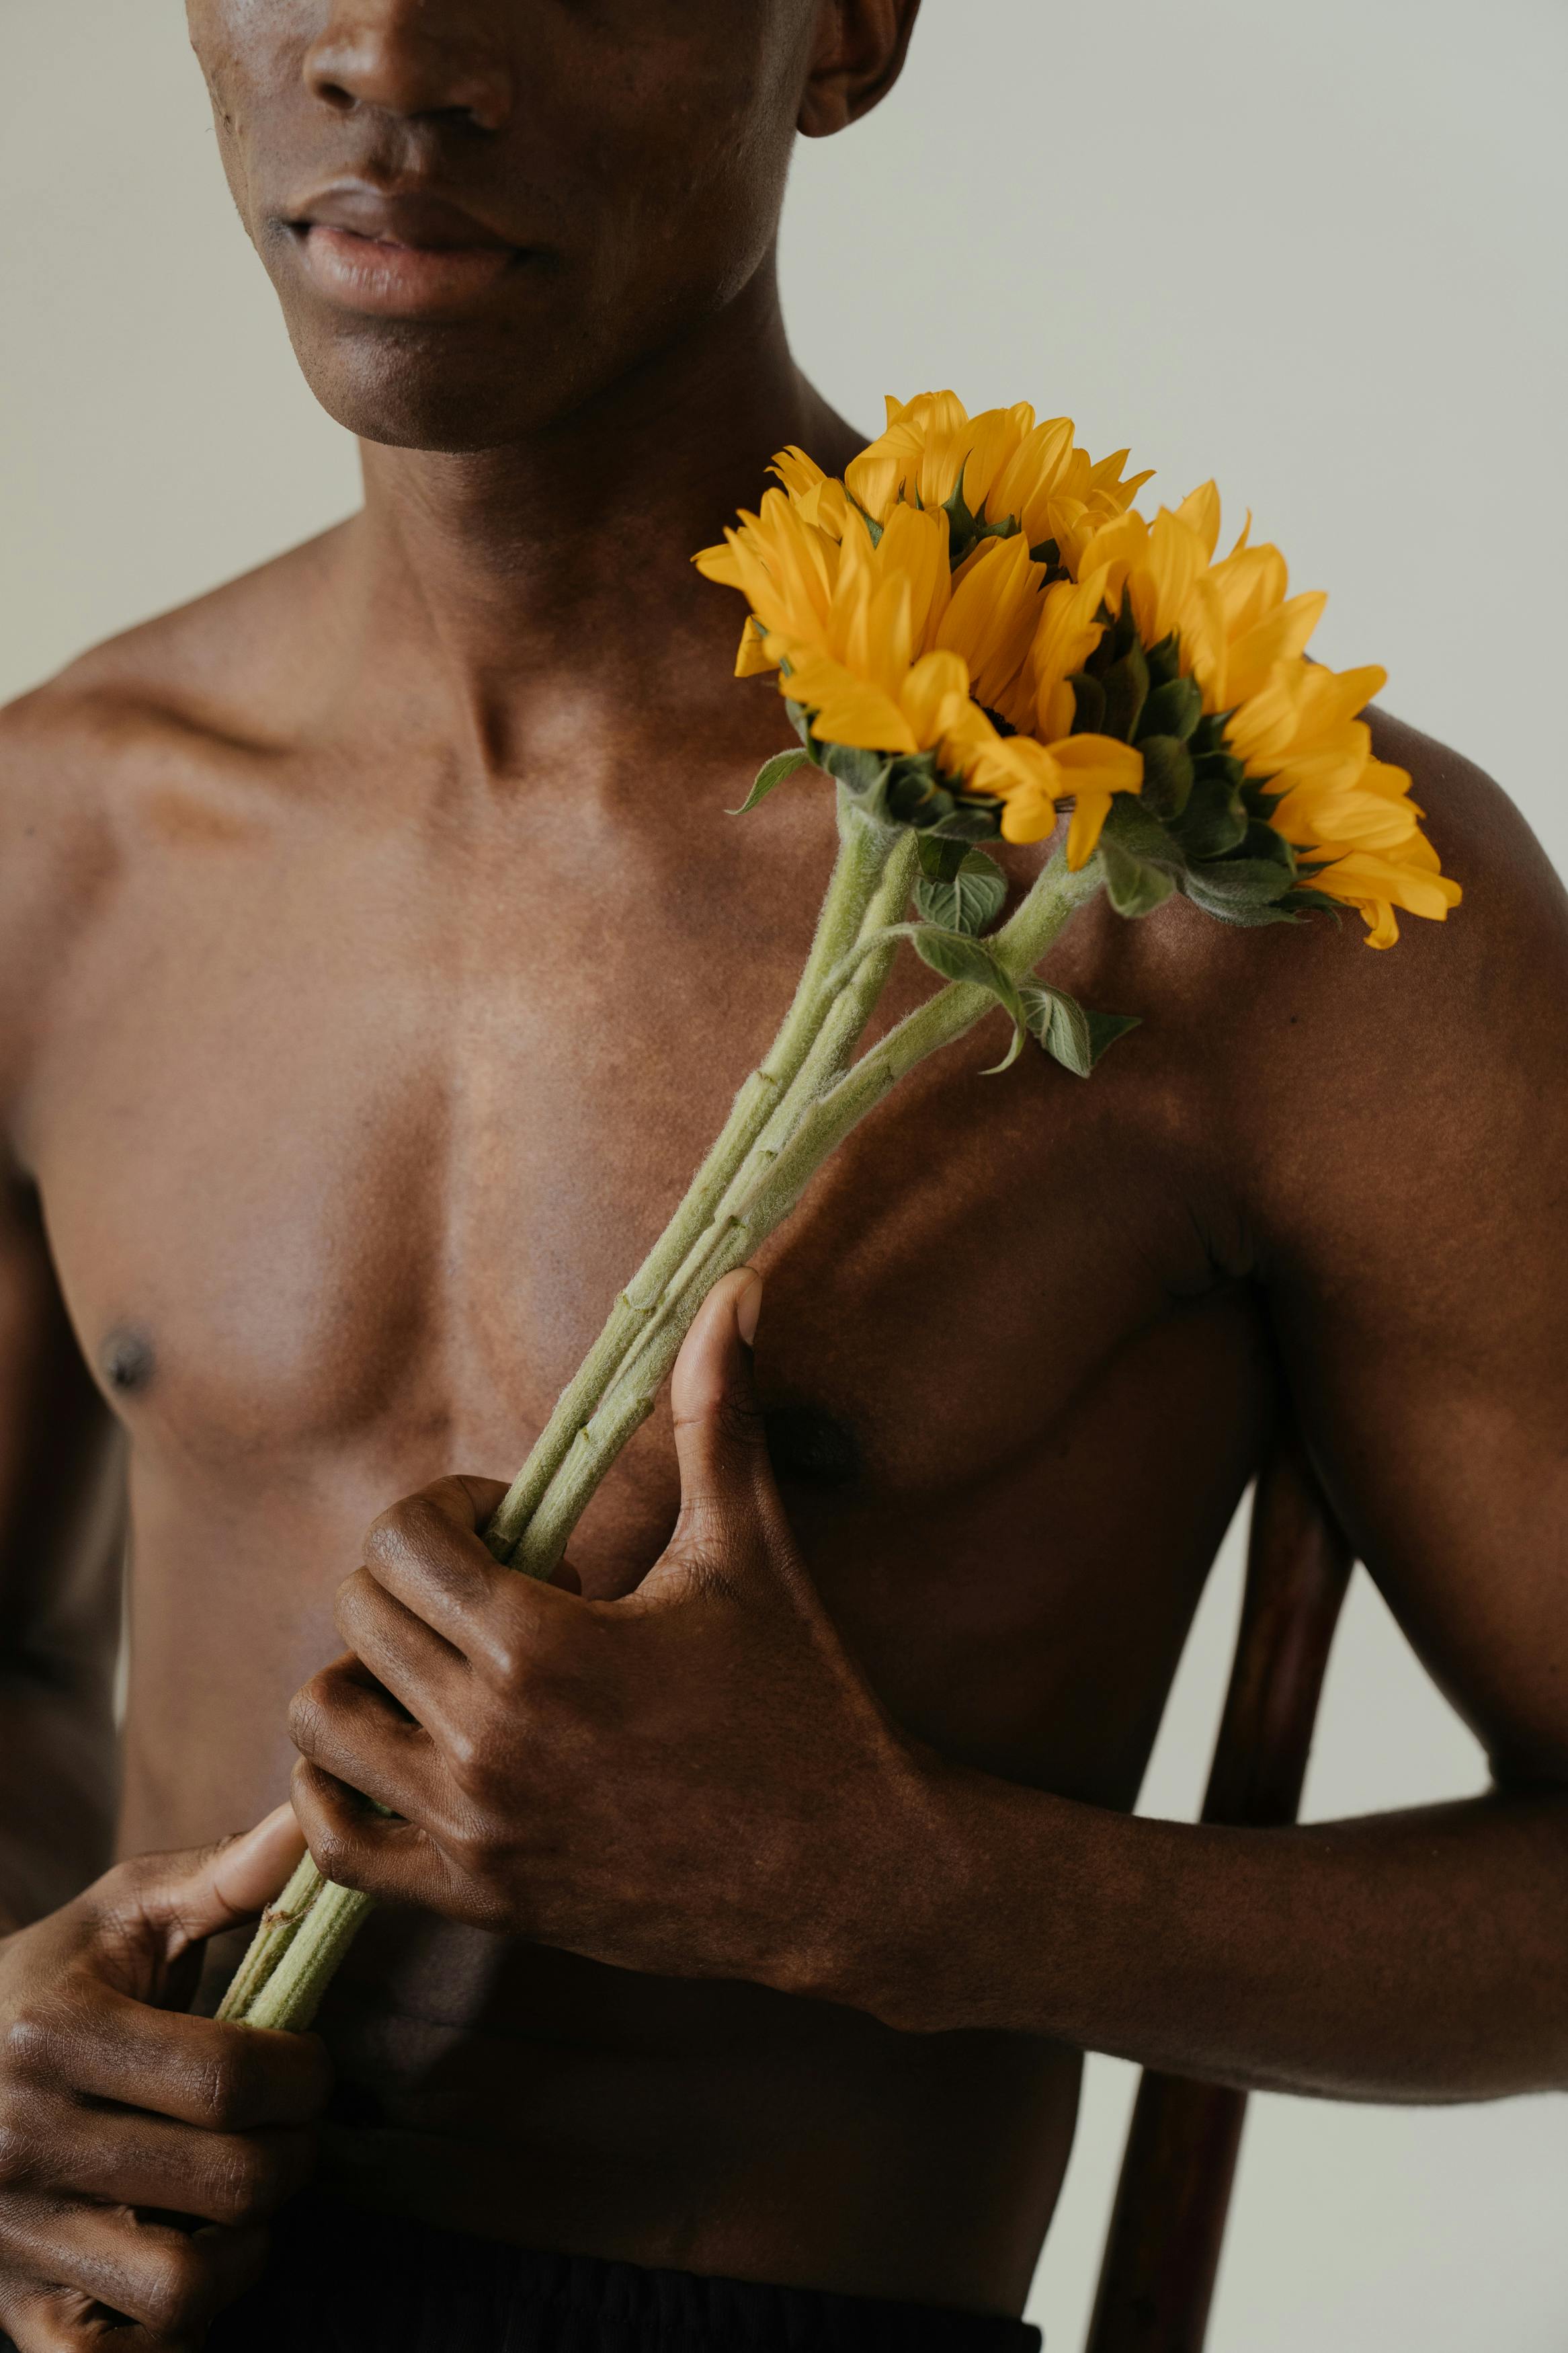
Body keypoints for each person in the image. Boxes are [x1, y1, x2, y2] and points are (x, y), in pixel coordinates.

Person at [1, 2, 1564, 2347]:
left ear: (842, 27)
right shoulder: (62, 835)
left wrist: (911, 1893)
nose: (394, 51)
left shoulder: (1240, 890)